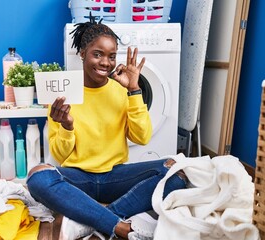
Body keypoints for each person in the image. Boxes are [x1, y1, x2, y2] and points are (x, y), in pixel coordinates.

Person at [27, 16, 187, 240]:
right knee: (37, 177)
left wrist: (133, 90)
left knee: (176, 171)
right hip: (78, 177)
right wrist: (67, 126)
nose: (105, 62)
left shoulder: (122, 90)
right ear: (82, 53)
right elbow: (59, 155)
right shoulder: (63, 92)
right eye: (98, 54)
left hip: (115, 176)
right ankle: (120, 227)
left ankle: (96, 220)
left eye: (112, 56)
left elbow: (142, 137)